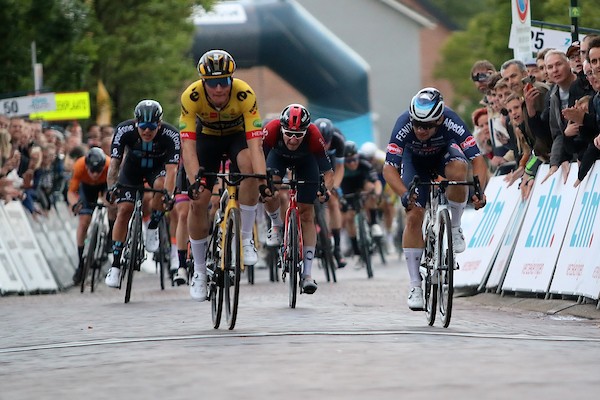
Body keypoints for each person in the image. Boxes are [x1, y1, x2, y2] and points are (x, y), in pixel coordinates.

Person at [382, 87, 488, 311]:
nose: (421, 130)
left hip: (443, 156)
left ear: (439, 119)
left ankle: (455, 226)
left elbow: (478, 161)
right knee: (413, 216)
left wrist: (480, 191)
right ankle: (415, 286)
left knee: (460, 168)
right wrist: (403, 193)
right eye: (417, 124)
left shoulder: (452, 121)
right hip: (414, 163)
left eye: (428, 126)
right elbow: (389, 169)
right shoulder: (403, 124)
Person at [179, 49, 267, 302]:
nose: (219, 89)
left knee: (249, 169)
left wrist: (261, 179)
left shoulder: (245, 94)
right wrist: (196, 180)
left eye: (224, 82)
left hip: (236, 137)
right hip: (206, 139)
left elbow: (255, 144)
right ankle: (198, 271)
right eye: (213, 83)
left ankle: (247, 237)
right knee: (198, 201)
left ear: (232, 80)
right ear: (203, 83)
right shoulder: (191, 96)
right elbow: (187, 147)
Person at [104, 100, 179, 288]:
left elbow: (172, 171)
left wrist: (168, 195)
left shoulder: (171, 135)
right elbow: (114, 164)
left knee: (161, 187)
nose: (147, 132)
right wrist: (112, 187)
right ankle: (115, 266)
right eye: (143, 127)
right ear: (136, 123)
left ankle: (153, 224)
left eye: (152, 128)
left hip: (158, 170)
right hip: (131, 170)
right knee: (124, 210)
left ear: (159, 125)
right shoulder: (124, 130)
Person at [262, 104, 334, 293]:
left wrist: (326, 190)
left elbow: (328, 172)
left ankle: (307, 274)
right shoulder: (271, 130)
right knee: (270, 190)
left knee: (307, 213)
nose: (293, 139)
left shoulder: (314, 135)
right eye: (289, 134)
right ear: (281, 128)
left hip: (306, 162)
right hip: (277, 158)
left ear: (305, 132)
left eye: (299, 135)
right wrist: (264, 185)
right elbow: (259, 162)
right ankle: (276, 224)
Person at [67, 147, 115, 284]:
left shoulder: (109, 164)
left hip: (105, 184)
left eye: (98, 171)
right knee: (84, 221)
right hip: (86, 188)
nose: (94, 174)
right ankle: (81, 262)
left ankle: (110, 236)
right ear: (87, 166)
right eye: (92, 170)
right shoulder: (79, 166)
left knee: (112, 206)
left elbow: (113, 189)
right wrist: (75, 204)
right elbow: (71, 192)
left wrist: (111, 202)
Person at [314, 117, 346, 268]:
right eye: (323, 142)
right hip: (313, 164)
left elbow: (339, 168)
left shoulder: (338, 140)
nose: (325, 146)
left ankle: (337, 248)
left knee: (333, 201)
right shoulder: (310, 138)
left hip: (331, 166)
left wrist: (335, 186)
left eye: (327, 143)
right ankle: (319, 235)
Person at [340, 141, 382, 258]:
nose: (352, 163)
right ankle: (356, 249)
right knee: (349, 217)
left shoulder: (364, 162)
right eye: (348, 161)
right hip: (347, 186)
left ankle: (373, 224)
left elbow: (376, 182)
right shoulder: (340, 166)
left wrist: (377, 194)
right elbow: (336, 185)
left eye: (354, 159)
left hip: (362, 182)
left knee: (370, 188)